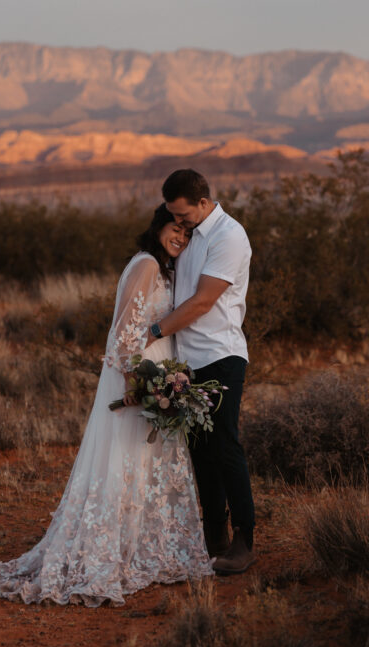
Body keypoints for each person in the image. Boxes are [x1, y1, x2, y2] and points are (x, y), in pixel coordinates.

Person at [0, 204, 213, 607]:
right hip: (138, 374)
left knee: (141, 459)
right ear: (158, 226)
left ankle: (136, 540)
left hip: (152, 369)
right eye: (175, 229)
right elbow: (124, 331)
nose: (181, 238)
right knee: (126, 457)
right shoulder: (147, 267)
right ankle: (114, 547)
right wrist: (135, 380)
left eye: (187, 233)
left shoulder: (156, 266)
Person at [150, 169, 256, 575]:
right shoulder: (190, 233)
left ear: (202, 202)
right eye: (172, 216)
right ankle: (215, 537)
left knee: (225, 445)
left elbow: (201, 302)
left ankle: (245, 541)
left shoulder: (229, 236)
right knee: (200, 450)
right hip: (186, 361)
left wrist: (153, 332)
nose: (179, 222)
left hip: (221, 355)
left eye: (183, 214)